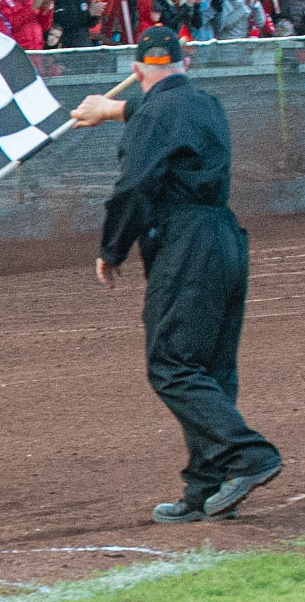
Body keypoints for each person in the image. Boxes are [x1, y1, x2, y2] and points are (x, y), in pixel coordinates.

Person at [69, 26, 282, 524]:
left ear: (137, 70)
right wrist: (112, 110)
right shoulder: (204, 103)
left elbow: (135, 187)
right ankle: (209, 486)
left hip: (185, 243)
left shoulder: (156, 112)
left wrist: (113, 248)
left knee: (172, 365)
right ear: (186, 65)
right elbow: (166, 116)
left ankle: (250, 456)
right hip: (226, 237)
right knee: (210, 368)